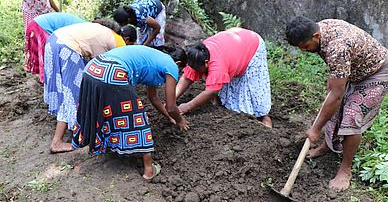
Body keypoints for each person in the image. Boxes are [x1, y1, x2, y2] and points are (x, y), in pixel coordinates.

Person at [285, 17, 388, 192]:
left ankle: (345, 170)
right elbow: (336, 85)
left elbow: (336, 93)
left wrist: (315, 129)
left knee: (351, 114)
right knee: (334, 109)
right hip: (357, 69)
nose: (304, 51)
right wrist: (336, 78)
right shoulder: (322, 29)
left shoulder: (337, 48)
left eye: (305, 47)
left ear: (316, 35)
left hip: (378, 72)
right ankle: (327, 146)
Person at [72, 45, 190, 180]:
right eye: (179, 71)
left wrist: (169, 117)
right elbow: (171, 106)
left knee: (103, 110)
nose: (176, 74)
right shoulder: (171, 65)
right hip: (112, 72)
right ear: (178, 64)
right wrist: (180, 120)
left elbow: (153, 97)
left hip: (92, 68)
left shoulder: (155, 59)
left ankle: (96, 144)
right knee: (137, 118)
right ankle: (149, 170)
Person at [44, 22, 136, 153]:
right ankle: (59, 141)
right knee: (75, 94)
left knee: (66, 92)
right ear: (127, 40)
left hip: (53, 41)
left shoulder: (105, 33)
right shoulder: (120, 42)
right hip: (67, 47)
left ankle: (73, 128)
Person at [176, 27, 272, 127]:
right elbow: (186, 78)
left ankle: (264, 118)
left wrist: (187, 106)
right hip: (235, 44)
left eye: (197, 70)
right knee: (223, 87)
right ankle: (219, 105)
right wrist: (171, 99)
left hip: (252, 46)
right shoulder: (198, 55)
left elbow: (211, 91)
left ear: (206, 63)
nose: (195, 72)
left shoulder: (217, 66)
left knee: (255, 91)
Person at [24, 12, 86, 83]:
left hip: (35, 23)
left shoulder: (84, 25)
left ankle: (44, 78)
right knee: (49, 55)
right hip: (42, 27)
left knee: (43, 54)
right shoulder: (86, 30)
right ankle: (48, 80)